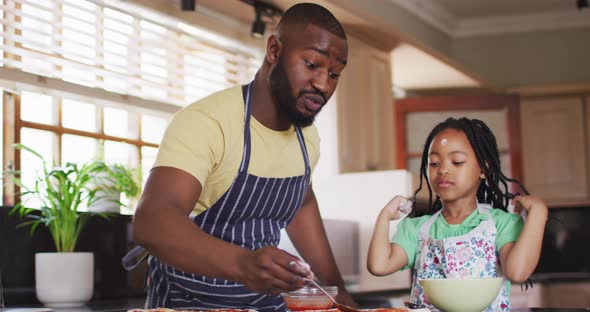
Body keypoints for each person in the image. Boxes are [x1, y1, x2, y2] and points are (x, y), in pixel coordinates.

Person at [127, 3, 356, 311]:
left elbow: (302, 203)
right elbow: (152, 221)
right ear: (274, 50)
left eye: (334, 74)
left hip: (266, 305)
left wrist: (336, 291)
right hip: (189, 303)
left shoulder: (306, 138)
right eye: (312, 65)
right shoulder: (207, 122)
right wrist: (244, 264)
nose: (323, 85)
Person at [367, 117, 548, 311]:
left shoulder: (501, 223)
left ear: (483, 170)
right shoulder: (417, 228)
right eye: (434, 163)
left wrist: (538, 212)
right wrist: (384, 217)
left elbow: (518, 272)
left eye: (457, 162)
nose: (443, 169)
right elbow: (379, 266)